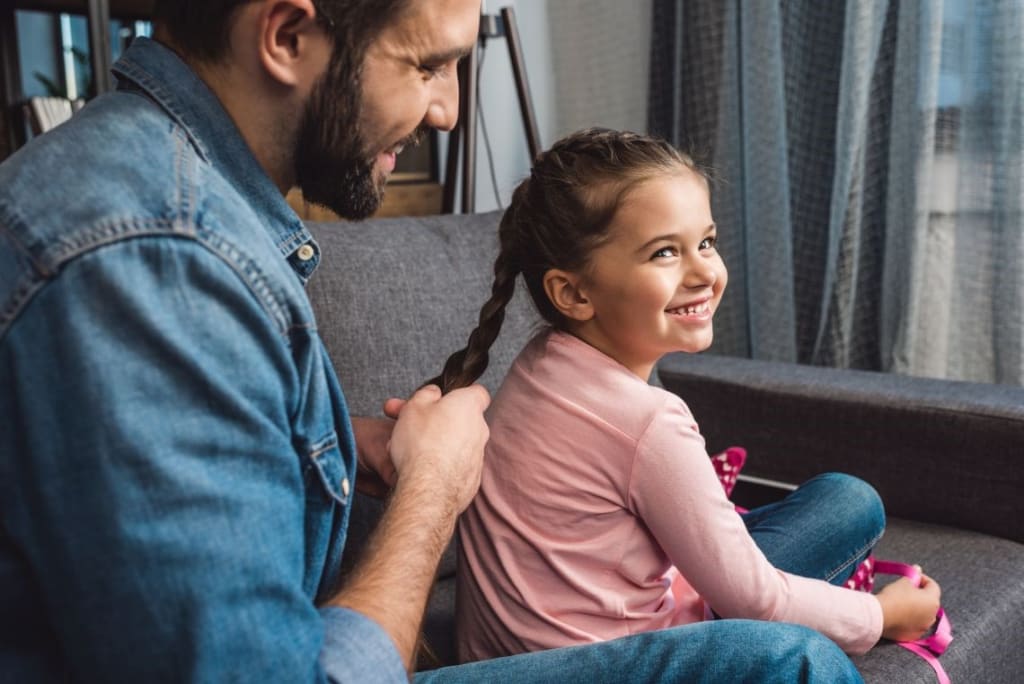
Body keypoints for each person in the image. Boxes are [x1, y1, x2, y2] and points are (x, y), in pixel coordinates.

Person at [0, 1, 865, 681]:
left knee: (835, 508)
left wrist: (336, 450)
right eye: (428, 64)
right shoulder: (153, 255)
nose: (449, 113)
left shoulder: (175, 204)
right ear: (288, 35)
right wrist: (433, 491)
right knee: (789, 660)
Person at [431, 128, 943, 664]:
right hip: (628, 661)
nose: (704, 272)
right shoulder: (648, 420)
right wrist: (882, 615)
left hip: (510, 658)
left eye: (706, 242)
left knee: (845, 499)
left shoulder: (536, 364)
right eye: (664, 253)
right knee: (849, 503)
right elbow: (754, 600)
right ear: (575, 292)